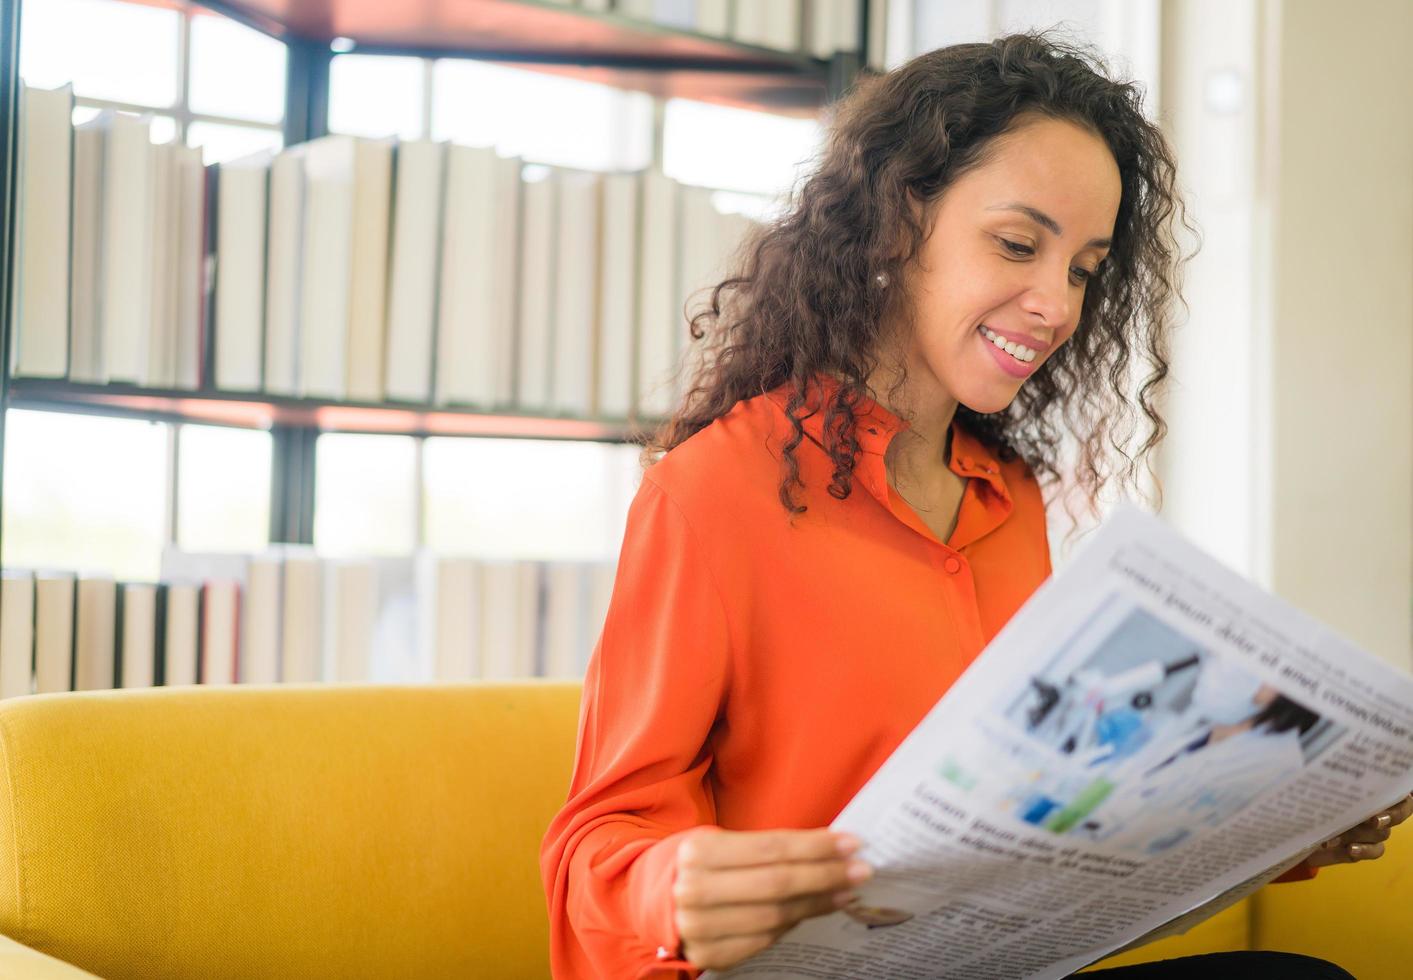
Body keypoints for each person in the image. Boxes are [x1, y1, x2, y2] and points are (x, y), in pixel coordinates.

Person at [539, 32, 1410, 979]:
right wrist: (675, 885)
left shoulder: (1013, 501)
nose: (1055, 306)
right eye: (1015, 244)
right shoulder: (713, 488)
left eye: (1081, 268)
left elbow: (1050, 808)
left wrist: (1271, 830)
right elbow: (598, 836)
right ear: (895, 223)